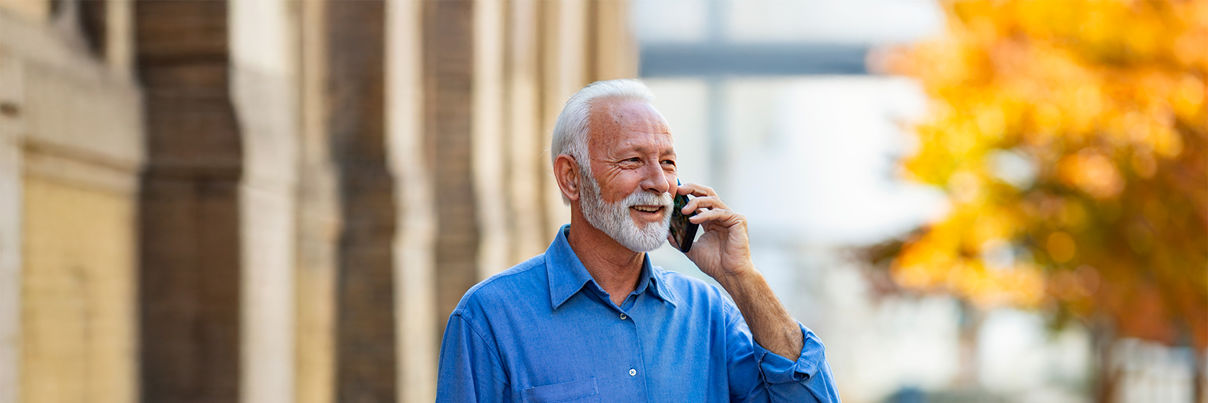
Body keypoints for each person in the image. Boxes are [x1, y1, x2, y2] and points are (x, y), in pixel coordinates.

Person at [436, 79, 840, 402]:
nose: (659, 183)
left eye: (667, 162)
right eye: (632, 160)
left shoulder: (710, 314)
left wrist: (741, 277)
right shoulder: (488, 319)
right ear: (571, 178)